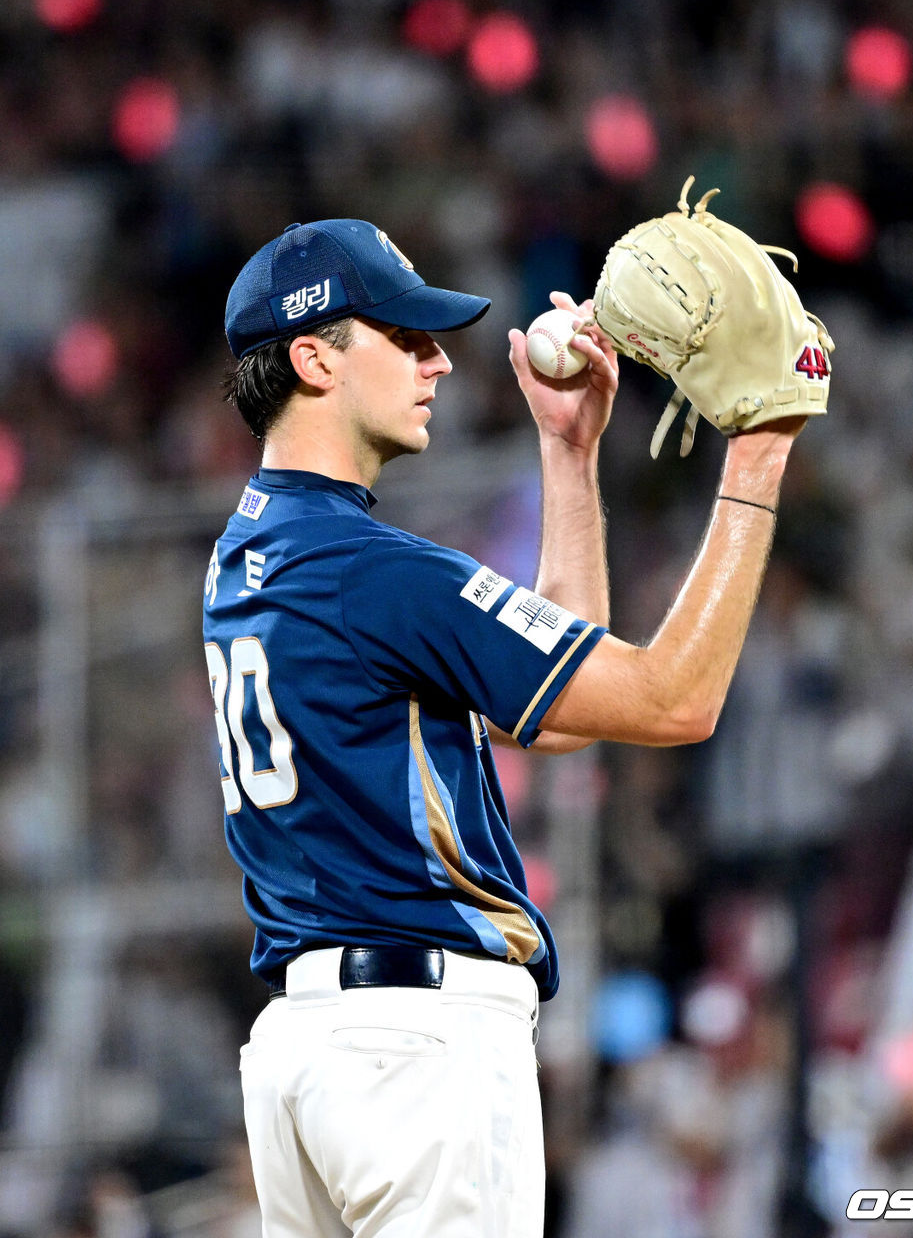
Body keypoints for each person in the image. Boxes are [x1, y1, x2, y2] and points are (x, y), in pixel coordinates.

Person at [203, 217, 805, 1237]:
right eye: (402, 336)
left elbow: (557, 725)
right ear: (313, 357)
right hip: (416, 1054)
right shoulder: (375, 572)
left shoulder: (245, 555)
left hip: (308, 1056)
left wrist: (565, 457)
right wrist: (759, 451)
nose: (438, 359)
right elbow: (674, 699)